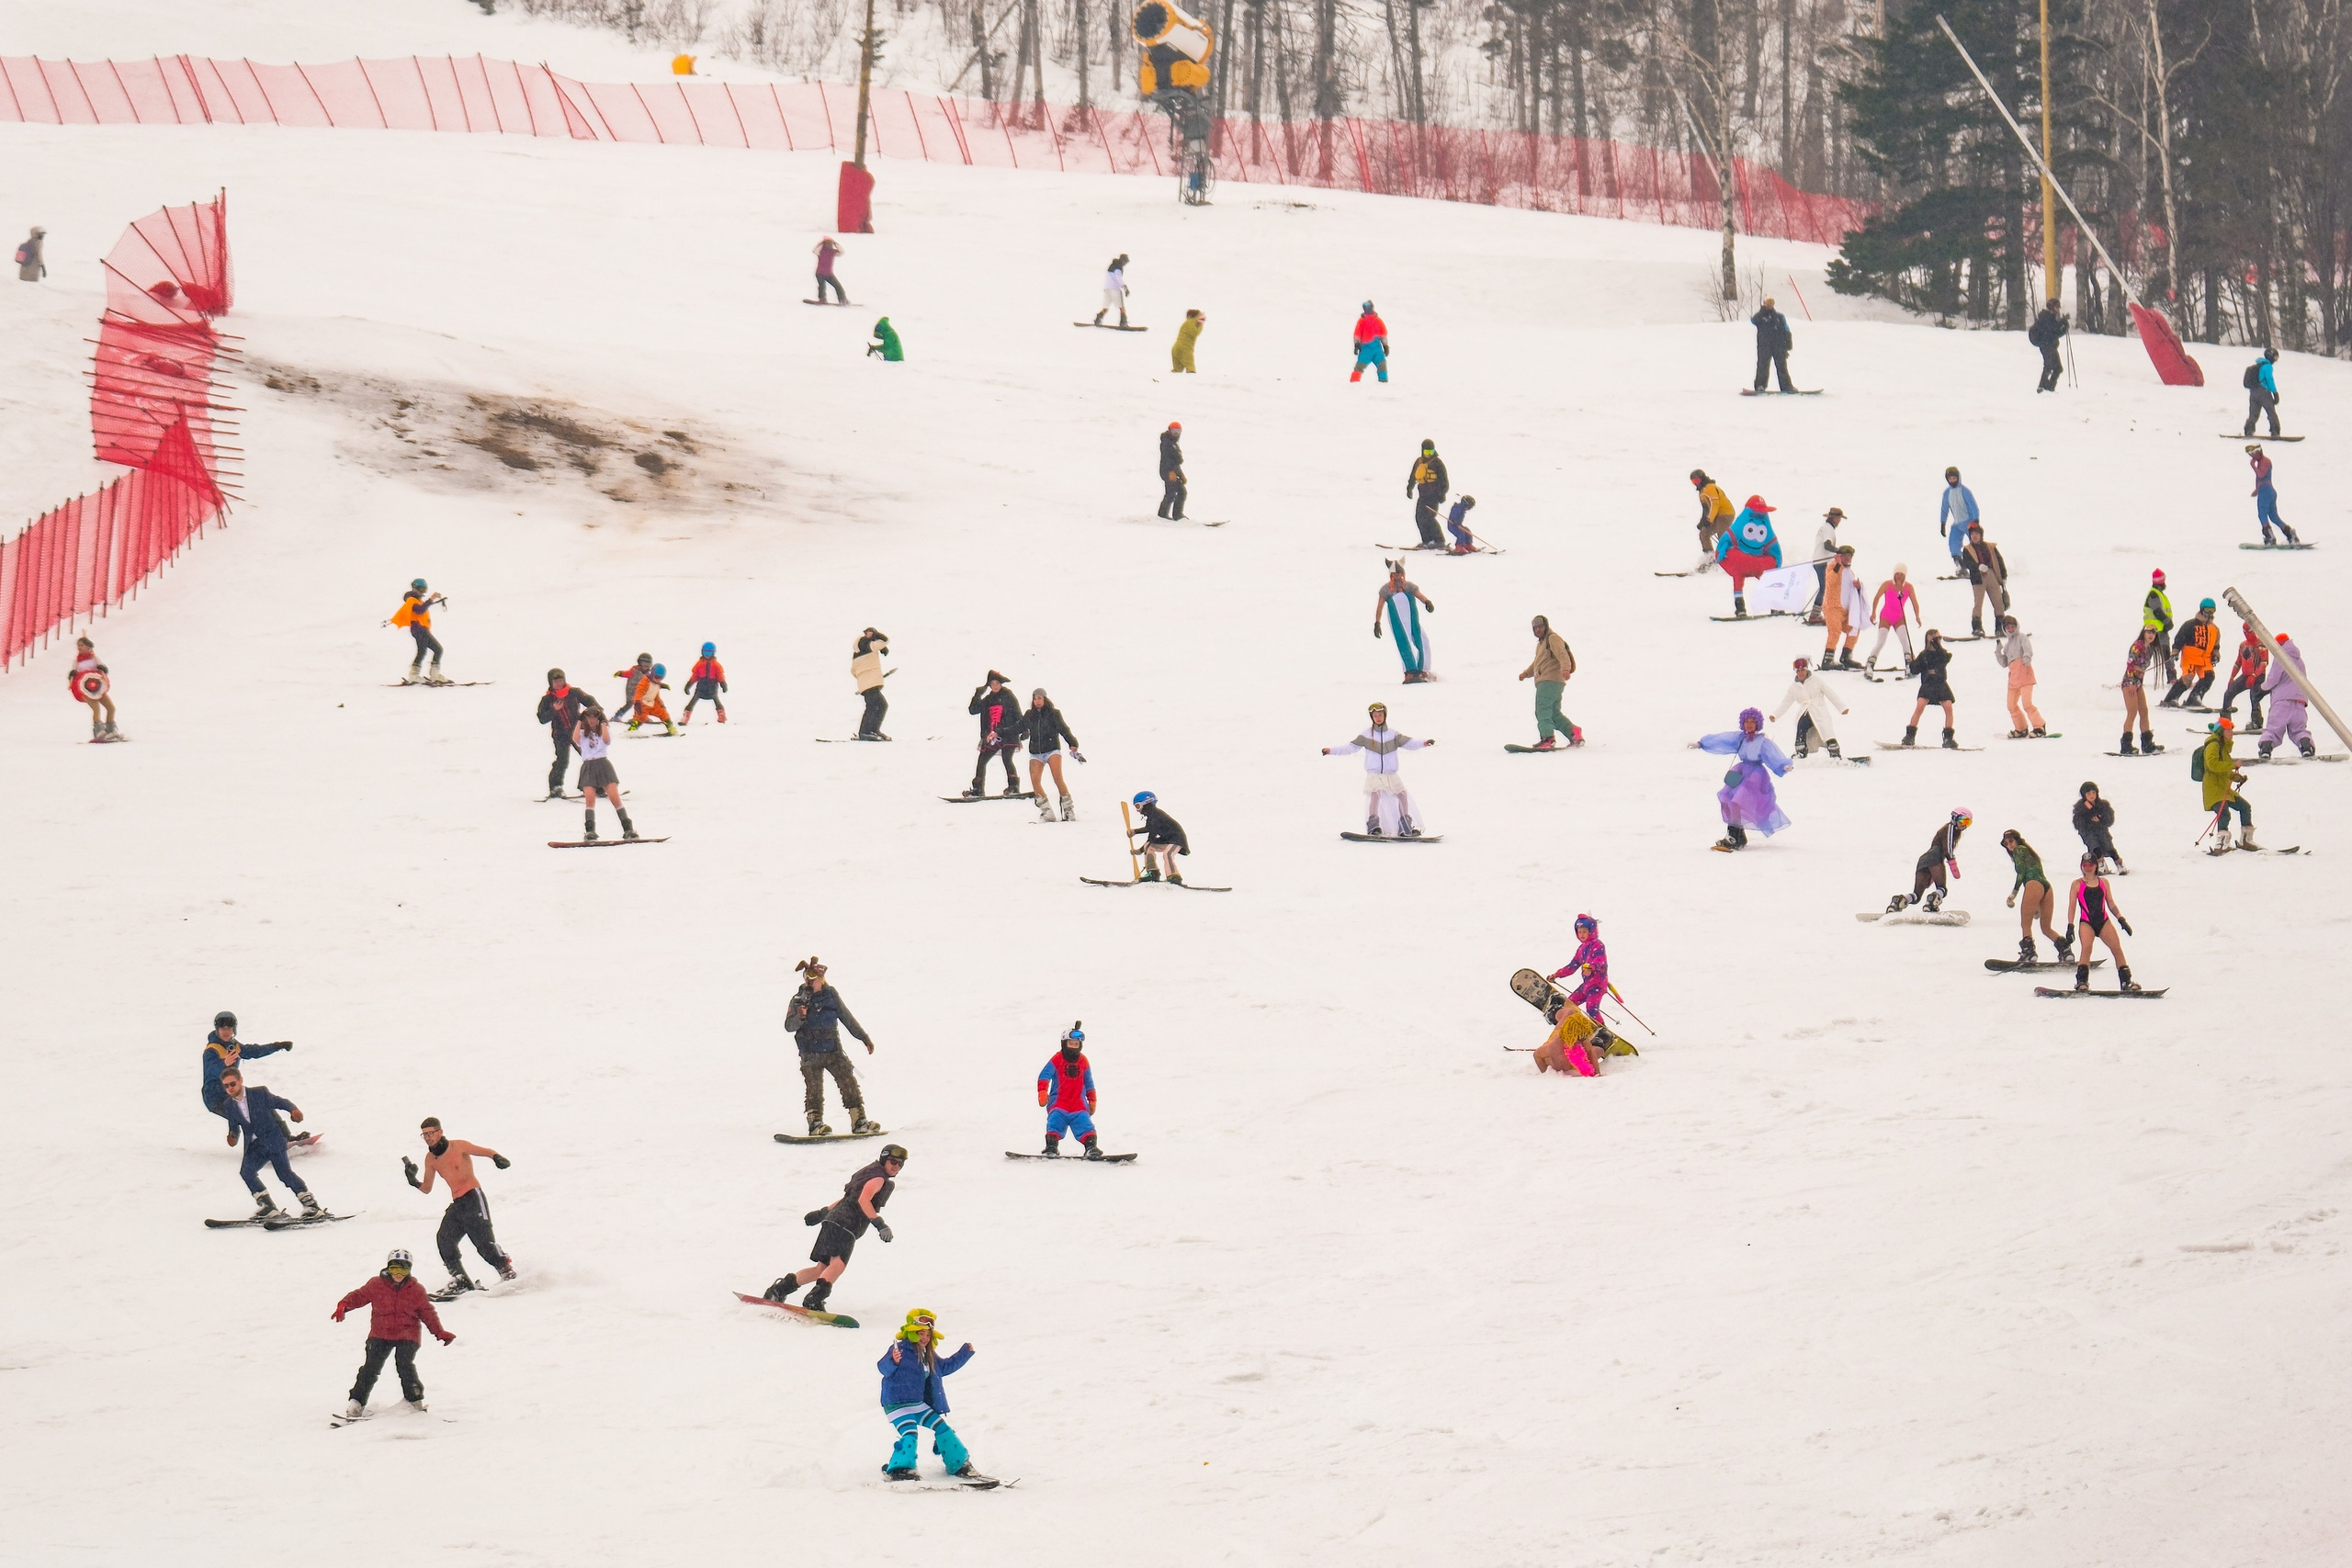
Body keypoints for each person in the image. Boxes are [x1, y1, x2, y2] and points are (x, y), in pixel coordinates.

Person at [763, 1143, 908, 1314]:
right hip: (847, 1224)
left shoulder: (869, 1173)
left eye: (900, 1163)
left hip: (833, 1221)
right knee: (838, 1264)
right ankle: (814, 1299)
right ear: (884, 1160)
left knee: (822, 1269)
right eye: (892, 1161)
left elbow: (848, 1198)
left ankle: (779, 1290)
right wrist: (880, 1224)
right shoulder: (878, 1179)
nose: (896, 1166)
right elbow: (863, 1201)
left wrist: (822, 1213)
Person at [334, 1249, 453, 1419]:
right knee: (370, 1368)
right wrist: (345, 1305)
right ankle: (356, 1404)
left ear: (409, 1270)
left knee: (404, 1365)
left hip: (407, 1335)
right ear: (388, 1268)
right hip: (380, 1334)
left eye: (403, 1270)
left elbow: (427, 1313)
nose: (398, 1274)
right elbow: (359, 1296)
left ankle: (414, 1401)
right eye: (394, 1269)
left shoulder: (416, 1290)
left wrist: (439, 1332)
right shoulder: (376, 1284)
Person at [402, 1117, 514, 1297]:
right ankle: (460, 1280)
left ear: (440, 1132)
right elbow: (427, 1189)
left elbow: (485, 1151)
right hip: (458, 1204)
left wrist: (497, 1158)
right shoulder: (431, 1159)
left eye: (431, 1133)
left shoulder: (458, 1146)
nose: (428, 1138)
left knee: (484, 1242)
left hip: (473, 1197)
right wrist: (413, 1180)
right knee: (444, 1240)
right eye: (424, 1135)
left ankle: (506, 1270)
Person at [878, 1309, 980, 1482]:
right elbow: (883, 1368)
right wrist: (893, 1361)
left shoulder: (928, 1355)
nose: (924, 1338)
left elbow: (945, 1367)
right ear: (911, 1333)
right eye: (920, 1333)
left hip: (918, 1404)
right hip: (897, 1405)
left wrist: (964, 1353)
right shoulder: (900, 1349)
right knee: (910, 1433)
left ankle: (958, 1463)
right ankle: (901, 1469)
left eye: (927, 1334)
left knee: (943, 1429)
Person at [786, 956, 878, 1136]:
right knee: (814, 1089)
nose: (811, 983)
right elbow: (789, 1026)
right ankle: (815, 1123)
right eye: (808, 979)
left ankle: (859, 1120)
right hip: (809, 1053)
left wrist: (864, 1038)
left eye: (815, 980)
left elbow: (846, 1018)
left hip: (833, 1050)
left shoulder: (831, 995)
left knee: (848, 1081)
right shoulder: (798, 1000)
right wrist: (799, 1016)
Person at [217, 1066, 323, 1219]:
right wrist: (232, 1136)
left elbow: (280, 1102)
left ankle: (311, 1206)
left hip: (273, 1140)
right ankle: (268, 1206)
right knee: (246, 1173)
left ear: (241, 1081)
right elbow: (234, 1126)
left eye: (232, 1084)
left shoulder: (259, 1093)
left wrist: (293, 1110)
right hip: (255, 1146)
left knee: (284, 1174)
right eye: (226, 1086)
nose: (230, 1088)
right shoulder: (229, 1105)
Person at [1324, 700, 1432, 837]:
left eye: (1380, 715)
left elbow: (1410, 743)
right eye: (1375, 716)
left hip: (1391, 773)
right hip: (1374, 773)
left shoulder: (1393, 735)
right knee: (1375, 795)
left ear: (1385, 715)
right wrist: (1330, 751)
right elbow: (1349, 748)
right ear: (1372, 718)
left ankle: (1405, 825)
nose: (1378, 718)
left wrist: (1424, 743)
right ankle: (1374, 826)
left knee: (1402, 795)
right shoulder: (1366, 735)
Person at [200, 1010, 301, 1145]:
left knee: (262, 1103)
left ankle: (285, 1138)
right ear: (217, 1029)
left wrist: (278, 1046)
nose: (226, 1031)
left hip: (233, 1092)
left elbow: (255, 1051)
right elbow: (211, 1069)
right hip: (215, 1098)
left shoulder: (234, 1046)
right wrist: (224, 1063)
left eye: (229, 1028)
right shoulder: (212, 1050)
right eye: (222, 1028)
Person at [1545, 914, 1624, 1056]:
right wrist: (1557, 974)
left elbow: (1600, 960)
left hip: (1598, 984)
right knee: (1569, 1005)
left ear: (1591, 931)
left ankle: (1604, 1034)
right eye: (1579, 932)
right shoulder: (1581, 949)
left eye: (1584, 932)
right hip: (1587, 985)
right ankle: (1575, 1035)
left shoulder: (1597, 945)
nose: (1582, 935)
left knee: (1591, 1009)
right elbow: (1572, 966)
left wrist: (1591, 968)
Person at [2064, 855, 2138, 992]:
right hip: (2087, 922)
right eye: (2085, 865)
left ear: (2096, 866)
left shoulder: (2104, 882)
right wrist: (2070, 926)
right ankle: (2082, 982)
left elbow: (2110, 903)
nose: (2088, 867)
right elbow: (2072, 906)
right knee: (2086, 949)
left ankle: (2126, 981)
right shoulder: (2077, 884)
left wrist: (2121, 919)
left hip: (2103, 921)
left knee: (2116, 948)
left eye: (2090, 865)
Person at [1999, 829, 2070, 964]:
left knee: (2026, 924)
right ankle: (2065, 950)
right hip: (2046, 887)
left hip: (2033, 884)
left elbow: (2022, 873)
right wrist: (2037, 905)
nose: (2010, 845)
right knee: (2046, 928)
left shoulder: (2019, 851)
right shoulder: (2030, 853)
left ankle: (2029, 953)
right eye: (2006, 843)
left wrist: (2014, 893)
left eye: (2011, 841)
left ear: (2017, 840)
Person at [571, 705, 639, 841]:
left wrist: (603, 724)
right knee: (590, 799)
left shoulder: (603, 731)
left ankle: (628, 829)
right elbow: (575, 739)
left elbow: (607, 740)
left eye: (594, 717)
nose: (591, 720)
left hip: (602, 764)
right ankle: (590, 831)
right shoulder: (583, 733)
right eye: (589, 717)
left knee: (614, 797)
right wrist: (579, 721)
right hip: (588, 765)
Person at [1035, 1022, 1103, 1156]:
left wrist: (1092, 1100)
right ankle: (1051, 1147)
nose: (1073, 1047)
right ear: (1064, 1043)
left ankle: (1091, 1148)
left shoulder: (1083, 1061)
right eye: (1071, 1043)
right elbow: (1044, 1076)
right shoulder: (1057, 1059)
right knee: (1054, 1123)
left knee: (1085, 1125)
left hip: (1078, 1105)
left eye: (1076, 1044)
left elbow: (1089, 1082)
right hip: (1059, 1103)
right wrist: (1043, 1091)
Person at [1886, 807, 1970, 914]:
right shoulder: (1950, 829)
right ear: (1954, 817)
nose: (1964, 824)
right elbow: (1947, 849)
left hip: (1924, 860)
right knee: (1942, 889)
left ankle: (1897, 902)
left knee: (1916, 896)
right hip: (1935, 858)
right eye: (1963, 820)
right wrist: (1953, 864)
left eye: (1968, 822)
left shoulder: (1950, 830)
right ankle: (1931, 903)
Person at [1713, 495, 1783, 618]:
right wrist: (1776, 559)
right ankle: (1774, 606)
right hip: (1754, 563)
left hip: (1741, 562)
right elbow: (1773, 546)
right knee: (1767, 581)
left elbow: (1726, 539)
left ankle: (1740, 608)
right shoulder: (1765, 526)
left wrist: (1721, 552)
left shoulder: (1740, 525)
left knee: (1739, 580)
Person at [1018, 687, 1081, 822]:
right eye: (1035, 699)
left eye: (1039, 698)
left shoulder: (1053, 713)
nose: (1037, 701)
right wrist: (999, 732)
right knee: (1035, 781)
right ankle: (1047, 812)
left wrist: (1072, 743)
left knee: (1057, 778)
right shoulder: (1030, 715)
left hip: (1052, 749)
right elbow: (1018, 727)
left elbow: (1064, 729)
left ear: (1045, 699)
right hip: (1036, 752)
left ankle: (1069, 810)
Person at [1517, 615, 1579, 749]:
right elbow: (1537, 662)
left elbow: (1562, 654)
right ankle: (1574, 733)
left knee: (1542, 709)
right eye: (1535, 628)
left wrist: (1566, 669)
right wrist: (1526, 673)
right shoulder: (1541, 644)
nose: (1538, 630)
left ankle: (1547, 738)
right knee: (1554, 714)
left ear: (1546, 626)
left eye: (1541, 627)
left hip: (1548, 680)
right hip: (1553, 682)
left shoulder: (1552, 638)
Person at [1770, 655, 1849, 760]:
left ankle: (1834, 752)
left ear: (1807, 670)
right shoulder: (1794, 687)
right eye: (1798, 670)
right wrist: (1775, 715)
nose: (1801, 672)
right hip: (1805, 712)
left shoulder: (1817, 680)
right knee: (1801, 726)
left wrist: (1842, 707)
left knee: (1826, 731)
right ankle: (1801, 751)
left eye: (1803, 670)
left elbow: (1830, 693)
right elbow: (1786, 703)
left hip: (1819, 711)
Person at [537, 669, 598, 798]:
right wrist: (553, 709)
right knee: (562, 760)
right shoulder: (547, 699)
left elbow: (590, 702)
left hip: (578, 731)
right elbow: (542, 718)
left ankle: (591, 785)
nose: (559, 683)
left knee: (590, 757)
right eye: (555, 681)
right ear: (550, 682)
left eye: (561, 680)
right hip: (560, 734)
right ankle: (555, 787)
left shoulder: (574, 692)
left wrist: (593, 715)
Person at [2197, 717, 2256, 852]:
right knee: (2224, 813)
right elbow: (2212, 765)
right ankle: (2221, 844)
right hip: (2213, 788)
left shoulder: (2222, 745)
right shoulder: (2213, 744)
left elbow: (2222, 770)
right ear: (2221, 731)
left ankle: (2246, 841)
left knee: (2245, 807)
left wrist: (2236, 777)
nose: (2232, 732)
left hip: (2223, 788)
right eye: (2229, 729)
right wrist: (2233, 764)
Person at [965, 671, 1024, 797]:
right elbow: (973, 710)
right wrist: (977, 695)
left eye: (997, 683)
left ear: (1001, 683)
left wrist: (1024, 730)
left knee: (1006, 758)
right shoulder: (988, 699)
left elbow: (1018, 713)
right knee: (982, 760)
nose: (995, 686)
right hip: (991, 735)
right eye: (992, 683)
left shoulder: (1009, 696)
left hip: (1008, 733)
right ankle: (978, 789)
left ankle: (1013, 786)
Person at [1374, 560, 1435, 682]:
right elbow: (1380, 606)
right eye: (1395, 573)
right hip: (1397, 618)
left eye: (1400, 573)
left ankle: (1422, 670)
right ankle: (1410, 671)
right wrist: (1377, 622)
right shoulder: (1386, 590)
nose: (1398, 576)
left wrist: (1427, 602)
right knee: (1404, 641)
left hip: (1412, 617)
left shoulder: (1408, 586)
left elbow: (1418, 595)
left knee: (1422, 640)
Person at [2259, 631, 2317, 761]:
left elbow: (2273, 678)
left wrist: (2262, 689)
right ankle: (2306, 747)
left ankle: (2265, 750)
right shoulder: (2299, 660)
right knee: (2299, 730)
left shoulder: (2281, 657)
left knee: (2273, 730)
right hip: (2299, 702)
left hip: (2282, 702)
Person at [1902, 629, 1958, 748]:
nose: (1939, 640)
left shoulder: (1942, 654)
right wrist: (1912, 662)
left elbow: (1944, 659)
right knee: (1920, 706)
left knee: (1948, 707)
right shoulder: (1924, 655)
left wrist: (1937, 646)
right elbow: (1915, 670)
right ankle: (1909, 736)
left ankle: (1948, 738)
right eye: (1936, 638)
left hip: (1940, 683)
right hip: (1928, 683)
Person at [2162, 600, 2221, 709]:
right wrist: (2175, 651)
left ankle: (2195, 698)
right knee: (2187, 678)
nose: (2210, 613)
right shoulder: (2190, 624)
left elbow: (2216, 645)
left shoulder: (2215, 629)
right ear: (2202, 609)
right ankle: (2171, 699)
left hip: (2205, 659)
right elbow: (2180, 638)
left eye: (2212, 611)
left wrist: (2216, 655)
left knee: (2209, 676)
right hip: (2191, 657)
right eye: (2207, 610)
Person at [1994, 615, 2045, 737]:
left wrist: (2027, 658)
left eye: (2013, 627)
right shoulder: (2007, 646)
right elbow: (2004, 663)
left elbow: (2028, 649)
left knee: (2027, 704)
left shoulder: (2022, 637)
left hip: (2025, 675)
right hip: (2013, 679)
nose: (2011, 629)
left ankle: (2040, 726)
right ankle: (2021, 728)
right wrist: (1998, 652)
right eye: (2008, 627)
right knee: (2011, 705)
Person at [390, 579, 448, 684]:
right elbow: (420, 610)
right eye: (421, 589)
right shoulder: (411, 600)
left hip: (420, 630)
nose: (422, 592)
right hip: (420, 630)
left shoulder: (416, 600)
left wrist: (429, 602)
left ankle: (415, 675)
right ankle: (434, 675)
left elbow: (421, 609)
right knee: (438, 649)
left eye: (424, 590)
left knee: (422, 652)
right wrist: (431, 599)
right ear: (415, 588)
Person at [1866, 563, 1921, 672]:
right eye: (1897, 574)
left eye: (1902, 574)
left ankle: (1909, 665)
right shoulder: (1887, 584)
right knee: (1881, 642)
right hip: (1886, 616)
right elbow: (1877, 597)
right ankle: (1870, 663)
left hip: (1899, 618)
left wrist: (1917, 616)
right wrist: (1873, 613)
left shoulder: (1908, 587)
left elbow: (1915, 602)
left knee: (1905, 642)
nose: (1899, 576)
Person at [1126, 790, 1191, 882]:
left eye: (1138, 806)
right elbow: (1151, 838)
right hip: (1167, 840)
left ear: (1145, 804)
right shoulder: (1151, 815)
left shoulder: (1155, 815)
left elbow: (1150, 830)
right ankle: (1153, 873)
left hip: (1177, 839)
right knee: (1150, 847)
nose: (1137, 810)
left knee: (1168, 854)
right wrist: (1140, 850)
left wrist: (1134, 832)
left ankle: (1174, 876)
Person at [1958, 522, 2009, 637]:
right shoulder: (1968, 549)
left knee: (1998, 603)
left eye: (1976, 534)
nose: (1974, 536)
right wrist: (1977, 567)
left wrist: (2003, 576)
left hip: (1992, 575)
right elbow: (1967, 563)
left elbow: (1999, 561)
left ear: (1981, 535)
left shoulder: (1990, 547)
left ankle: (2000, 628)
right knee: (1978, 604)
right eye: (1972, 534)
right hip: (1978, 578)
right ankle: (1977, 628)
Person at [2118, 626, 2160, 757]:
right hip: (2130, 683)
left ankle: (2147, 743)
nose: (2151, 635)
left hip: (2138, 684)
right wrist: (2131, 682)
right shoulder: (2138, 646)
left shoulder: (2148, 649)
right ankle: (2126, 745)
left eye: (2153, 633)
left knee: (2144, 711)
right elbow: (2130, 664)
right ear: (2144, 632)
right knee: (2132, 712)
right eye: (2149, 632)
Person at [67, 636, 119, 741]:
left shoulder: (94, 658)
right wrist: (73, 675)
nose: (79, 648)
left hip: (98, 687)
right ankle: (99, 731)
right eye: (78, 646)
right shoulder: (77, 661)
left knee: (111, 708)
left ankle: (110, 730)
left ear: (88, 646)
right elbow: (73, 675)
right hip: (85, 690)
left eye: (82, 645)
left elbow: (101, 669)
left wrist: (102, 669)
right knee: (96, 709)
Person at [1821, 545, 1864, 669]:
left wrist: (1858, 587)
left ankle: (1846, 655)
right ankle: (1827, 659)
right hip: (1833, 607)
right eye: (1845, 555)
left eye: (1850, 556)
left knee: (1854, 628)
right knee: (1834, 631)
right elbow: (1831, 580)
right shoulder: (1833, 567)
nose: (1848, 558)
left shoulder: (1849, 572)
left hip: (1845, 610)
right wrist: (1838, 564)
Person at [2221, 622, 2269, 729]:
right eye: (2245, 632)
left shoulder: (2261, 644)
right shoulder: (2243, 645)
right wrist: (2232, 677)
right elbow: (2238, 662)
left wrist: (2254, 675)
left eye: (2249, 631)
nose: (2247, 634)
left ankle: (2256, 721)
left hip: (2258, 676)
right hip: (2245, 675)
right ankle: (2225, 722)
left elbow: (2264, 662)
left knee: (2254, 696)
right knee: (2229, 693)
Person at [2247, 445, 2298, 545]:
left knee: (2262, 515)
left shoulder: (2265, 461)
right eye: (2250, 454)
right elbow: (2262, 478)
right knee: (2274, 517)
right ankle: (2290, 534)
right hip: (2267, 491)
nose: (2252, 457)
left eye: (2253, 454)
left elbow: (2261, 474)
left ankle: (2269, 536)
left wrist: (2253, 465)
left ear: (2259, 452)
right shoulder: (2261, 462)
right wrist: (2257, 489)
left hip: (2266, 492)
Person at [1406, 440, 1449, 548]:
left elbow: (1444, 480)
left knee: (1429, 518)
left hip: (1434, 495)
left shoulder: (1437, 463)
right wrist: (1409, 488)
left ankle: (1439, 540)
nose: (1428, 454)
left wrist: (1442, 494)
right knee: (1419, 517)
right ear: (1422, 450)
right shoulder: (1419, 462)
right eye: (1426, 451)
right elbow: (1413, 477)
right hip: (1423, 495)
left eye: (1431, 451)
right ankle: (1427, 540)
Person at [2074, 780, 2124, 874]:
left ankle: (2119, 864)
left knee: (2109, 847)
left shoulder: (2103, 805)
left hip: (2101, 830)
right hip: (2088, 832)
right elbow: (2077, 823)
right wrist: (2088, 818)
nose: (2092, 795)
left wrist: (2100, 820)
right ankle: (2101, 865)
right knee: (2095, 847)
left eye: (2093, 792)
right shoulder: (2080, 808)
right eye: (2088, 793)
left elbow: (2109, 819)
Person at [1937, 468, 1978, 577]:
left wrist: (1976, 520)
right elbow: (1944, 508)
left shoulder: (1964, 491)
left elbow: (1973, 506)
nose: (1952, 480)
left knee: (1975, 545)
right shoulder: (1947, 493)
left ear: (1958, 478)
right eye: (1950, 478)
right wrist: (1943, 523)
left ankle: (1979, 566)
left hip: (1969, 523)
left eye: (1954, 478)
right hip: (1957, 524)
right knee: (1953, 544)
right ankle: (1961, 566)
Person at [1690, 469, 1736, 566]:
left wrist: (1709, 520)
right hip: (1716, 515)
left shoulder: (1710, 487)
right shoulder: (1701, 492)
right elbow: (1706, 509)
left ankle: (1730, 560)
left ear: (1702, 479)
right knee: (1704, 533)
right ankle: (1709, 559)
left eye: (1697, 480)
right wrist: (1702, 522)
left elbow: (1715, 504)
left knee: (1722, 536)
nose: (1696, 484)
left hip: (1725, 514)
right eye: (1693, 482)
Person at [1805, 507, 1845, 618]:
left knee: (1824, 587)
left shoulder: (1825, 527)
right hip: (1822, 561)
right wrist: (1839, 551)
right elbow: (1827, 545)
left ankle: (1818, 611)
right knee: (1825, 588)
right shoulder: (1829, 529)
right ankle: (1815, 614)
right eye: (1839, 519)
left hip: (1819, 560)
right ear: (1835, 518)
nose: (1840, 521)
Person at [852, 627, 889, 740]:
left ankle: (871, 730)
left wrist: (864, 677)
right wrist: (878, 636)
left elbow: (853, 671)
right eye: (868, 632)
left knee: (878, 705)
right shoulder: (867, 644)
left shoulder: (858, 650)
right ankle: (866, 732)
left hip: (867, 683)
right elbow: (885, 640)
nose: (868, 634)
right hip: (870, 683)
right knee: (877, 705)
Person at [1750, 297, 1794, 392]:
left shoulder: (1779, 317)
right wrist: (1762, 311)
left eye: (1771, 303)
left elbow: (1786, 330)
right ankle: (1760, 386)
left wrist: (1788, 344)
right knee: (1763, 366)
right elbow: (1753, 321)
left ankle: (1786, 387)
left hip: (1778, 346)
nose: (1769, 305)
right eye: (1767, 303)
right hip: (1764, 346)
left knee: (1782, 366)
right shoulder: (1760, 317)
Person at [2143, 570, 2177, 686]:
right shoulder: (2154, 594)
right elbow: (2157, 611)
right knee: (2149, 655)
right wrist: (2167, 621)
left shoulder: (2158, 594)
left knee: (2161, 654)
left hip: (2160, 630)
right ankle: (2136, 676)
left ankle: (2172, 678)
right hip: (2154, 631)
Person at [622, 662, 676, 735]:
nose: (658, 680)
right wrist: (637, 702)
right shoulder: (645, 681)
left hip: (652, 704)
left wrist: (661, 705)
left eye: (661, 678)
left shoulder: (657, 684)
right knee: (641, 717)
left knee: (663, 714)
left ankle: (671, 728)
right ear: (652, 674)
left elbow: (656, 696)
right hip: (642, 704)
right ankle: (632, 730)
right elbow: (639, 691)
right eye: (657, 677)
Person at [681, 642, 727, 726]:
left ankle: (722, 716)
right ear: (702, 652)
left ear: (713, 653)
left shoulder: (716, 665)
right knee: (692, 702)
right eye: (705, 653)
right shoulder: (699, 664)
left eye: (709, 653)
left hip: (712, 688)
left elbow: (720, 675)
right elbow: (694, 676)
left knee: (717, 702)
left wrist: (723, 684)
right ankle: (685, 717)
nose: (707, 655)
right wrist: (688, 685)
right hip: (700, 688)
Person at [2029, 298, 2068, 392]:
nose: (2058, 309)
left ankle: (2048, 388)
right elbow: (2054, 331)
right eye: (2057, 307)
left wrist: (2064, 326)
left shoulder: (2049, 317)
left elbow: (2055, 333)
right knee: (2049, 366)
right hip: (2046, 345)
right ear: (2052, 307)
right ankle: (2042, 387)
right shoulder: (2046, 317)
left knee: (2057, 368)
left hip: (2049, 345)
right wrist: (2063, 324)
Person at [2243, 346, 2281, 437]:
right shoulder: (2267, 366)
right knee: (2271, 412)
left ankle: (2249, 430)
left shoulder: (2258, 365)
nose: (2276, 360)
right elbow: (2269, 380)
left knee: (2254, 414)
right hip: (2264, 392)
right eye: (2275, 357)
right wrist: (2275, 393)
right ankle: (2275, 431)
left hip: (2253, 392)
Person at [1350, 300, 1390, 383]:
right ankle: (1353, 384)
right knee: (1359, 367)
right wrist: (1357, 345)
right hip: (1366, 349)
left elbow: (1383, 334)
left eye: (1369, 309)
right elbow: (1357, 334)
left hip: (1377, 348)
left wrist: (1385, 346)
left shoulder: (1378, 321)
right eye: (1366, 309)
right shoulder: (1362, 321)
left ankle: (1383, 383)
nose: (1368, 311)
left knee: (1382, 365)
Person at [1157, 422, 1186, 521]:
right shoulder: (1166, 442)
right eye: (1174, 431)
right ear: (1169, 430)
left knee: (1182, 492)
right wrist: (1170, 472)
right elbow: (1167, 459)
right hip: (1167, 472)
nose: (1176, 434)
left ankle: (1177, 515)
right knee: (1171, 493)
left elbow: (1176, 462)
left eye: (1178, 431)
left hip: (1173, 471)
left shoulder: (1173, 443)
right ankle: (1162, 515)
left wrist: (1180, 474)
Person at [1093, 254, 1130, 327]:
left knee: (1106, 307)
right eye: (1125, 262)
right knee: (1121, 307)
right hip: (1115, 289)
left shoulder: (1112, 265)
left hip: (1107, 289)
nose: (1126, 264)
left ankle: (1098, 319)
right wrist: (1125, 287)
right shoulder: (1118, 268)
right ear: (1122, 261)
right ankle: (1123, 323)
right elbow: (1119, 279)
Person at [614, 651, 653, 717]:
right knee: (630, 704)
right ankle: (617, 716)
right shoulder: (634, 670)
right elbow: (627, 673)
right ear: (639, 663)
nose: (645, 666)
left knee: (642, 704)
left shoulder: (648, 674)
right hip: (631, 691)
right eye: (644, 663)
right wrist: (620, 673)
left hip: (640, 692)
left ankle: (640, 717)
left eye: (647, 664)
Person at [813, 236, 847, 303]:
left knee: (838, 287)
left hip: (829, 274)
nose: (829, 244)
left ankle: (842, 300)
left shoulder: (832, 251)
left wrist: (835, 243)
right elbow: (815, 251)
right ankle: (822, 299)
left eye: (830, 243)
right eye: (827, 243)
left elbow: (842, 252)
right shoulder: (821, 251)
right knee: (822, 287)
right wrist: (822, 243)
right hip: (820, 273)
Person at [1171, 308, 1204, 372]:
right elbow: (1195, 333)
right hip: (1185, 349)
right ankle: (1192, 380)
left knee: (1177, 370)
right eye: (1200, 316)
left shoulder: (1187, 323)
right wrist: (1201, 325)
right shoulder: (1190, 323)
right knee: (1191, 368)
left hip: (1177, 348)